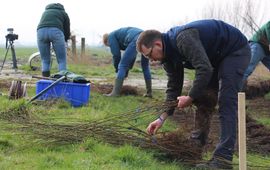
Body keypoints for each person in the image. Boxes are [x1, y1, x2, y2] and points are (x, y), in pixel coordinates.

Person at [136, 19, 251, 169]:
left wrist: (190, 97)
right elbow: (173, 87)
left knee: (226, 102)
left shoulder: (183, 39)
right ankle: (195, 148)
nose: (151, 60)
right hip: (214, 59)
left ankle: (223, 160)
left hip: (235, 51)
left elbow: (204, 69)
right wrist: (161, 118)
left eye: (150, 55)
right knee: (204, 98)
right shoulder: (168, 57)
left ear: (158, 44)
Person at [103, 27, 152, 97]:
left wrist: (118, 69)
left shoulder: (110, 37)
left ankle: (115, 93)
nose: (110, 46)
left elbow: (116, 55)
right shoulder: (119, 35)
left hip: (136, 38)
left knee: (122, 65)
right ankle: (149, 93)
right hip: (146, 38)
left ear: (107, 42)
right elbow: (132, 56)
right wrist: (127, 70)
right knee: (145, 66)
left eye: (109, 45)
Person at [37, 3, 71, 77]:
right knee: (61, 60)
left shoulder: (45, 12)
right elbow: (67, 29)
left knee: (45, 59)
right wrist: (66, 39)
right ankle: (61, 81)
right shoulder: (63, 13)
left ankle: (45, 80)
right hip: (56, 32)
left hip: (41, 32)